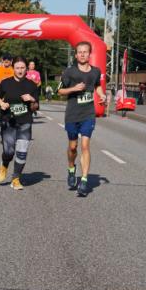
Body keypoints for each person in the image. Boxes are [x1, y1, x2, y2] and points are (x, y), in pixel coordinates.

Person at [58, 41, 105, 197]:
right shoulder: (69, 72)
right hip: (72, 114)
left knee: (85, 145)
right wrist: (74, 88)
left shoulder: (95, 71)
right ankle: (71, 168)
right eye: (80, 52)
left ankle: (84, 181)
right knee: (73, 147)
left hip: (88, 114)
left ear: (89, 54)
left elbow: (97, 86)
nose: (82, 54)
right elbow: (60, 91)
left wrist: (102, 95)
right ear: (76, 55)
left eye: (85, 52)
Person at [0, 56, 40, 190]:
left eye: (23, 68)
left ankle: (15, 179)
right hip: (8, 121)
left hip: (25, 121)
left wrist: (32, 99)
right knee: (9, 152)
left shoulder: (32, 85)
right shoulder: (5, 83)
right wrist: (2, 104)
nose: (20, 70)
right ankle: (4, 165)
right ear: (13, 68)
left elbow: (36, 107)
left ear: (26, 69)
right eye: (17, 68)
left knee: (22, 151)